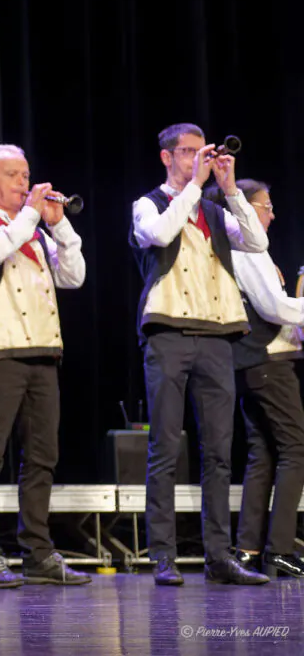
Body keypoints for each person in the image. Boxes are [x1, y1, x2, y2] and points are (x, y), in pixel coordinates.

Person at [129, 123, 269, 586]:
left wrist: (229, 189)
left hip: (215, 336)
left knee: (219, 452)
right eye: (187, 152)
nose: (196, 159)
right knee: (165, 447)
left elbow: (257, 241)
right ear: (167, 157)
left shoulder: (214, 207)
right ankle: (164, 556)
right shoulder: (148, 204)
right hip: (168, 333)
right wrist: (193, 187)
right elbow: (160, 234)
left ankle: (217, 554)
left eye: (199, 151)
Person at [0, 144, 89, 588]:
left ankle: (37, 552)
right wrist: (30, 218)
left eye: (25, 174)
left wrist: (60, 225)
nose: (23, 183)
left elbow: (74, 277)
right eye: (11, 175)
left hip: (44, 351)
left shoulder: (36, 230)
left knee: (42, 458)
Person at [203, 180, 304, 579]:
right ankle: (279, 548)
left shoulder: (232, 249)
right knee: (297, 447)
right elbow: (274, 306)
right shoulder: (247, 247)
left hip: (245, 363)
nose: (272, 214)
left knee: (262, 453)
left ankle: (248, 548)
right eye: (266, 205)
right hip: (267, 361)